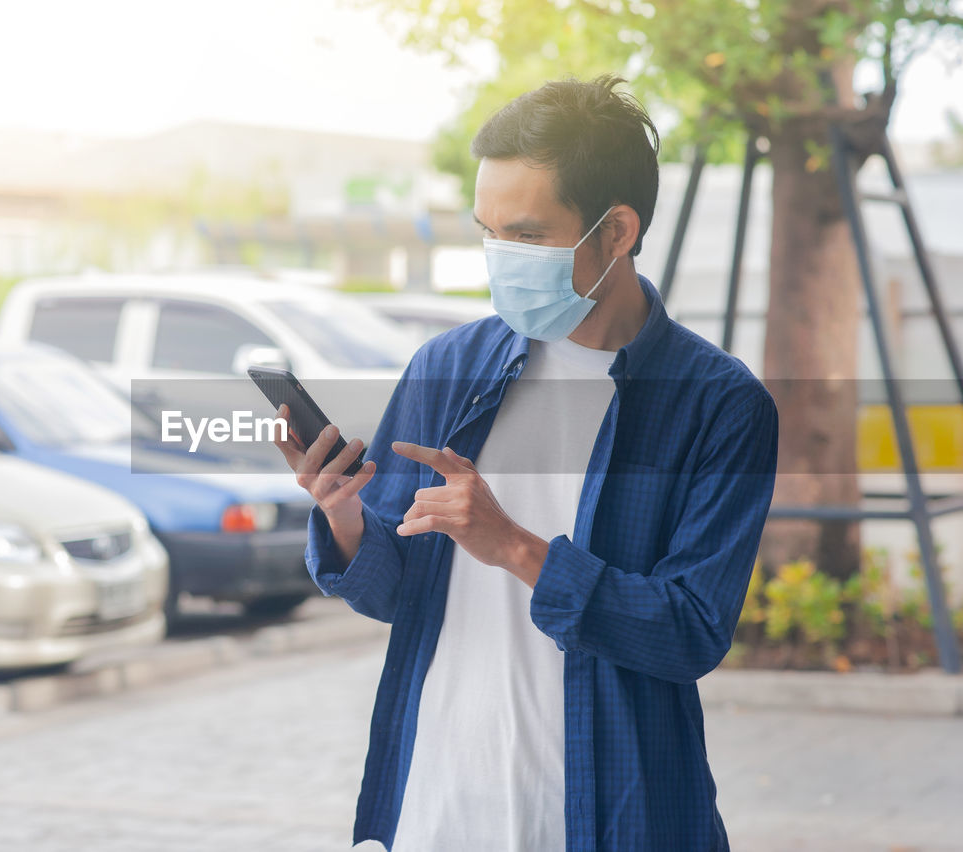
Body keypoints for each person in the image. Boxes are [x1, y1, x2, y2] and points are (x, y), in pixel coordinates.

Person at [272, 75, 778, 851]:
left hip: (614, 814)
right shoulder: (449, 367)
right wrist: (340, 510)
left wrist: (514, 547)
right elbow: (393, 591)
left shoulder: (717, 406)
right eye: (488, 231)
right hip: (437, 804)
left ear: (616, 231)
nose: (501, 258)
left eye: (528, 236)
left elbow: (689, 634)